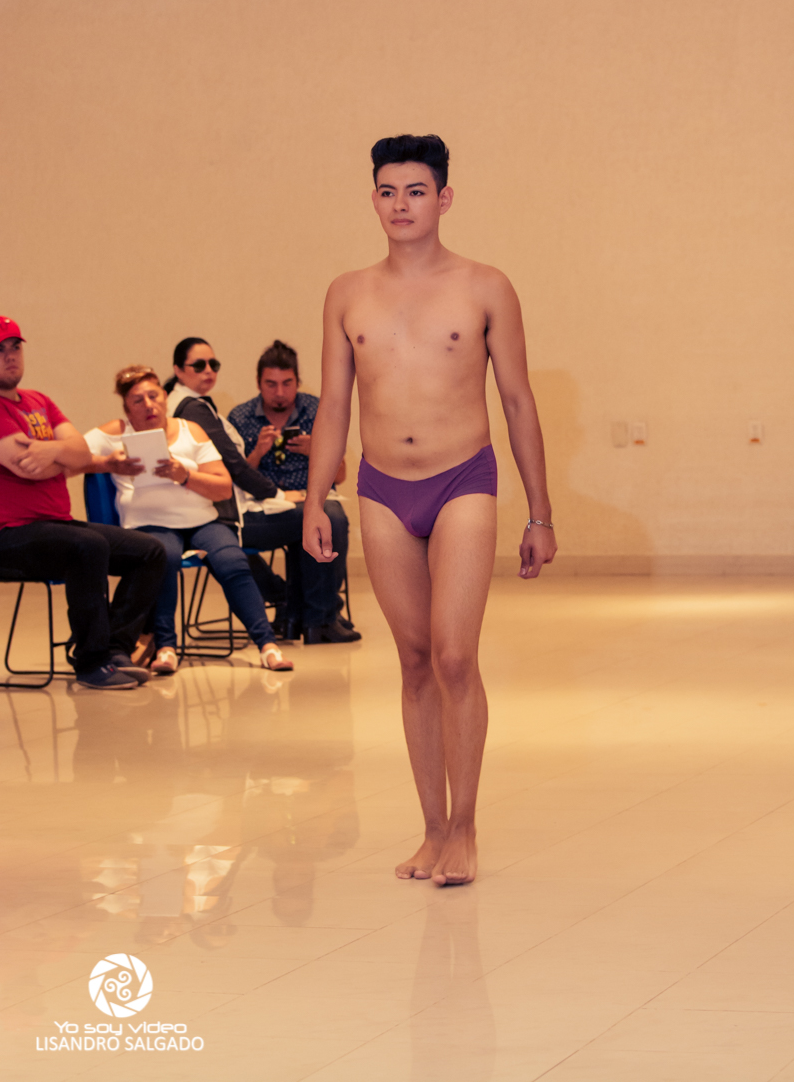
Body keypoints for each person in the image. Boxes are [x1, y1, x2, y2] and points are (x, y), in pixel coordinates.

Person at [303, 135, 557, 886]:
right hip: (382, 488)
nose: (401, 205)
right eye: (387, 191)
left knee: (453, 656)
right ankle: (433, 831)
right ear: (373, 199)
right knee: (413, 660)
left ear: (443, 198)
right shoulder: (347, 293)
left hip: (463, 480)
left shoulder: (486, 287)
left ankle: (467, 829)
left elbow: (518, 401)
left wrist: (540, 513)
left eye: (416, 191)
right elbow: (334, 407)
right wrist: (316, 500)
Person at [81, 366, 293, 679]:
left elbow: (223, 487)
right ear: (127, 408)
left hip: (202, 521)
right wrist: (107, 463)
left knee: (232, 560)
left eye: (154, 396)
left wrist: (185, 476)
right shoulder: (115, 432)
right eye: (138, 400)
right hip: (150, 523)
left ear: (165, 398)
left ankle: (267, 645)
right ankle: (166, 646)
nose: (149, 405)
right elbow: (71, 457)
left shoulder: (190, 430)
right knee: (163, 558)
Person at [0, 319, 166, 690]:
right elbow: (27, 467)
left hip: (54, 525)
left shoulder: (39, 401)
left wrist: (53, 452)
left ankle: (115, 649)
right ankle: (92, 663)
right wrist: (64, 455)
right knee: (87, 545)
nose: (10, 356)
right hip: (9, 533)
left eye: (15, 347)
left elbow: (82, 452)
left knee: (150, 551)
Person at [228, 340, 358, 643]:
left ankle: (317, 620)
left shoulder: (316, 410)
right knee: (225, 533)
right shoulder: (241, 417)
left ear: (298, 381)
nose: (279, 392)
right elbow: (234, 479)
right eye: (271, 384)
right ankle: (297, 607)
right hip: (263, 509)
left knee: (332, 517)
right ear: (258, 383)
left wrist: (317, 450)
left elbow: (340, 475)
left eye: (287, 383)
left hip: (313, 500)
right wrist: (257, 453)